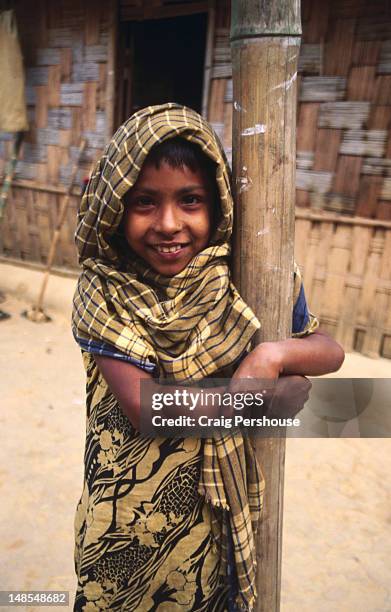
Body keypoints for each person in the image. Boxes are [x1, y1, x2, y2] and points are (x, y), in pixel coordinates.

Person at [72, 103, 344, 611]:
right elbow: (149, 408)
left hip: (213, 524)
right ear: (114, 208)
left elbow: (329, 351)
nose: (169, 224)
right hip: (123, 530)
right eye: (144, 202)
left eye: (190, 200)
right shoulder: (104, 290)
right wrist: (257, 399)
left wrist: (272, 355)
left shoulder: (251, 277)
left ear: (217, 204)